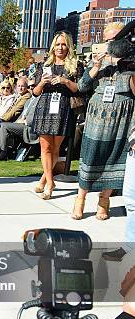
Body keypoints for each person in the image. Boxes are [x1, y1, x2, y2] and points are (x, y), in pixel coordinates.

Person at [71, 23, 134, 221]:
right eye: (108, 40)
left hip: (124, 113)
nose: (111, 43)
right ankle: (80, 199)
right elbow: (81, 86)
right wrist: (96, 67)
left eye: (116, 39)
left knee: (115, 155)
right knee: (92, 155)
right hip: (98, 113)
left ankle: (103, 201)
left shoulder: (131, 61)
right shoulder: (96, 61)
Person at [31, 31, 83, 199]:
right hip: (45, 105)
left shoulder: (75, 65)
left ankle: (45, 179)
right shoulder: (44, 65)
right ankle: (49, 182)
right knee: (45, 147)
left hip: (63, 106)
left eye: (64, 44)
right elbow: (35, 92)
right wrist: (42, 82)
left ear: (68, 47)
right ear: (53, 46)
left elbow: (80, 89)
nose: (60, 48)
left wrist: (65, 81)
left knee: (55, 148)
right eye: (58, 44)